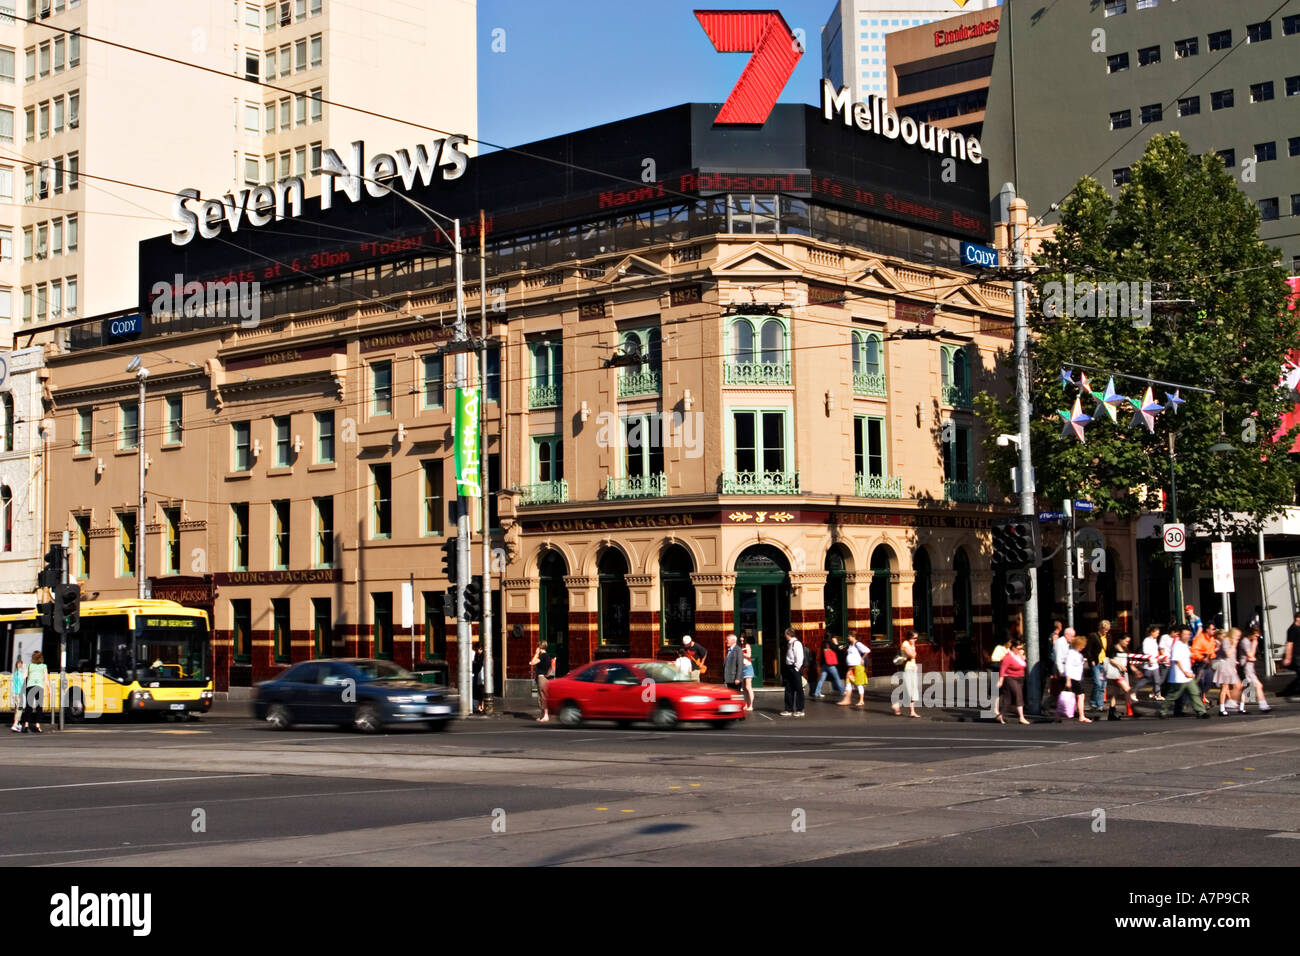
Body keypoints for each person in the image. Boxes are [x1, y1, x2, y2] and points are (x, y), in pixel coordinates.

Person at [1158, 628, 1210, 719]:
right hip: (1179, 676)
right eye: (1185, 634)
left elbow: (1188, 657)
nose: (1187, 636)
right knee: (1173, 695)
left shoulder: (1185, 645)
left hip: (1188, 675)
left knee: (1195, 692)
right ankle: (1162, 710)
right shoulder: (1177, 645)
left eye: (1188, 634)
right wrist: (1184, 672)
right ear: (1180, 635)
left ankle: (1201, 712)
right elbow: (1177, 660)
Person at [1236, 627, 1271, 713]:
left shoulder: (1248, 641)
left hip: (1249, 668)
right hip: (1246, 668)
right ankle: (1263, 705)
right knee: (1258, 686)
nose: (1257, 637)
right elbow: (1250, 655)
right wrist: (1255, 645)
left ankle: (1240, 707)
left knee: (1245, 687)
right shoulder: (1245, 642)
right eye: (1255, 636)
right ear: (1250, 634)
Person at [996, 638, 1029, 724]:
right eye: (1018, 648)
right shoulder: (1008, 657)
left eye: (1021, 648)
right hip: (1010, 678)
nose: (1020, 650)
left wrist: (1022, 656)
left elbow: (1023, 665)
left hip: (1020, 678)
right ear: (1013, 648)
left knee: (1008, 699)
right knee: (1019, 695)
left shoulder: (1019, 656)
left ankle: (1000, 715)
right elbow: (1002, 669)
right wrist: (1000, 681)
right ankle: (1021, 717)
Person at [1105, 633, 1137, 719]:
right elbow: (1111, 660)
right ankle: (1133, 709)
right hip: (1116, 673)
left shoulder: (1125, 649)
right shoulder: (1114, 648)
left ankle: (1111, 712)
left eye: (1128, 642)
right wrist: (1120, 666)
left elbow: (1129, 661)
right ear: (1120, 640)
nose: (1127, 643)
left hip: (1121, 673)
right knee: (1128, 689)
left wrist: (1134, 669)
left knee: (1115, 693)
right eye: (1126, 641)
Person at [1213, 627, 1243, 716]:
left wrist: (1234, 666)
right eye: (1237, 635)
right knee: (1224, 687)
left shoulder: (1233, 642)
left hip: (1230, 666)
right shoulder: (1226, 641)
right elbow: (1228, 654)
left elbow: (1233, 657)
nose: (1238, 637)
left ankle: (1230, 702)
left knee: (1238, 685)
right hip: (1224, 666)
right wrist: (1233, 645)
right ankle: (1222, 708)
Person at [1132, 625, 1165, 701]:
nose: (1158, 634)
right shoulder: (1147, 640)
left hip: (1155, 663)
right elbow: (1146, 651)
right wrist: (1149, 658)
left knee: (1157, 680)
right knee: (1145, 679)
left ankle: (1157, 694)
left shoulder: (1154, 640)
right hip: (1149, 664)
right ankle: (1133, 691)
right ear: (1152, 633)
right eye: (1156, 633)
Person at [1063, 635, 1091, 723]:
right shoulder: (1071, 653)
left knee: (1078, 695)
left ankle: (1080, 714)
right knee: (1081, 695)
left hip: (1076, 678)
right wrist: (1068, 680)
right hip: (1072, 678)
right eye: (1082, 645)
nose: (1084, 646)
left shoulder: (1077, 653)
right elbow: (1068, 666)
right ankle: (1081, 716)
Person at [892, 630, 920, 718]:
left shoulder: (910, 644)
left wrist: (915, 665)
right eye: (914, 638)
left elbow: (913, 656)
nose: (915, 640)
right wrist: (913, 649)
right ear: (909, 637)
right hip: (907, 669)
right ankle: (898, 705)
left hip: (912, 668)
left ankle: (911, 711)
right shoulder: (905, 644)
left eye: (916, 638)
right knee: (910, 690)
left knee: (912, 690)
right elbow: (912, 655)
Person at [21, 650, 49, 734]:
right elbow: (46, 679)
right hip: (39, 687)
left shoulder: (29, 666)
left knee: (28, 707)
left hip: (30, 686)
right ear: (41, 657)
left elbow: (24, 676)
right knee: (39, 707)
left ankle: (26, 725)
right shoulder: (44, 666)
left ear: (33, 657)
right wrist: (49, 689)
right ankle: (37, 725)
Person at [839, 633, 871, 707]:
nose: (848, 637)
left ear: (853, 637)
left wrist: (862, 658)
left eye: (849, 636)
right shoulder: (850, 645)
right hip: (851, 668)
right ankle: (847, 700)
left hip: (858, 667)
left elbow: (867, 650)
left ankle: (861, 700)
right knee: (848, 682)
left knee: (859, 684)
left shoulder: (858, 644)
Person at [780, 627, 805, 717]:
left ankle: (800, 709)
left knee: (798, 689)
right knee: (789, 688)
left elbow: (799, 657)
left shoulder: (796, 643)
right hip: (789, 668)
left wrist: (796, 668)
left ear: (788, 635)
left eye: (785, 634)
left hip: (794, 668)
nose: (784, 636)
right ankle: (788, 709)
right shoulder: (789, 644)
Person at [812, 634, 843, 701]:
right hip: (831, 664)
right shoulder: (830, 643)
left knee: (822, 679)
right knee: (837, 678)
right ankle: (842, 692)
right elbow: (836, 649)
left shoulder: (823, 643)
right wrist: (836, 643)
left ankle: (817, 692)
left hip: (824, 664)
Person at [529, 641, 555, 723]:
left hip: (541, 678)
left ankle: (546, 715)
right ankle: (543, 715)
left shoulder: (543, 656)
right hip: (545, 678)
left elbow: (532, 662)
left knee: (542, 697)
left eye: (538, 647)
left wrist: (536, 654)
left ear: (540, 648)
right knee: (542, 697)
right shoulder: (547, 656)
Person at [1282, 613, 1300, 699]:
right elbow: (1289, 644)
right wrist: (1288, 657)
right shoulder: (1292, 629)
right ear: (1297, 618)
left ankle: (1291, 690)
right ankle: (1291, 690)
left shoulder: (1298, 628)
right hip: (1297, 655)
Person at [9, 655, 25, 732]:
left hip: (15, 693)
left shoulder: (15, 673)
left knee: (16, 710)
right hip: (20, 694)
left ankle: (17, 724)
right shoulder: (21, 673)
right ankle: (15, 724)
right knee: (20, 709)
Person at [739, 635, 755, 712]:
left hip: (748, 667)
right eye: (740, 640)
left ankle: (751, 705)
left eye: (743, 640)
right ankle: (745, 704)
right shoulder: (740, 646)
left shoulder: (747, 645)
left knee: (748, 687)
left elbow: (749, 655)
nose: (742, 641)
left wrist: (741, 653)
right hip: (742, 668)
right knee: (744, 688)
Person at [471, 641, 485, 714]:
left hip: (482, 676)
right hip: (477, 675)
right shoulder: (477, 655)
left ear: (480, 648)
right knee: (477, 691)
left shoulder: (483, 656)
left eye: (477, 649)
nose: (476, 651)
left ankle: (481, 706)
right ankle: (479, 706)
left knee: (481, 691)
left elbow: (479, 666)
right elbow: (475, 664)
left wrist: (475, 664)